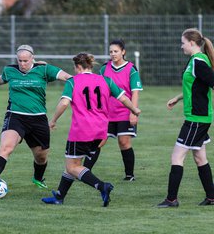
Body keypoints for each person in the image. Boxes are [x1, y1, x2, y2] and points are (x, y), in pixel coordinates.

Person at [41, 53, 141, 207]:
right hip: (101, 131)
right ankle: (59, 196)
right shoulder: (105, 80)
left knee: (72, 166)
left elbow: (64, 103)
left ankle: (102, 186)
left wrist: (53, 120)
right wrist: (134, 109)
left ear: (78, 67)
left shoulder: (73, 81)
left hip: (81, 130)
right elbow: (123, 98)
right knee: (73, 162)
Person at [0, 44, 72, 191]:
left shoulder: (44, 69)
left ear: (32, 59)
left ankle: (38, 178)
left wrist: (83, 81)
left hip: (38, 118)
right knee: (6, 147)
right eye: (20, 61)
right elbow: (2, 78)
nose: (22, 64)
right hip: (15, 116)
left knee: (41, 157)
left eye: (25, 61)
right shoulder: (10, 70)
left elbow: (68, 77)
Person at [157, 28, 214, 207]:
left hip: (197, 119)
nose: (181, 46)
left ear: (191, 43)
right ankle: (212, 197)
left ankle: (171, 199)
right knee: (199, 157)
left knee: (177, 157)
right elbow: (196, 87)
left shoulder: (198, 61)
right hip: (199, 117)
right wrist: (178, 97)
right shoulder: (194, 61)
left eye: (183, 42)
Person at [83, 39, 143, 181]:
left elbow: (135, 92)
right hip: (107, 113)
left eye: (116, 51)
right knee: (98, 141)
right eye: (111, 52)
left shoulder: (131, 69)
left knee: (124, 142)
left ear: (123, 52)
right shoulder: (105, 68)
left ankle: (129, 175)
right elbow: (100, 90)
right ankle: (84, 172)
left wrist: (133, 112)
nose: (113, 54)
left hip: (124, 112)